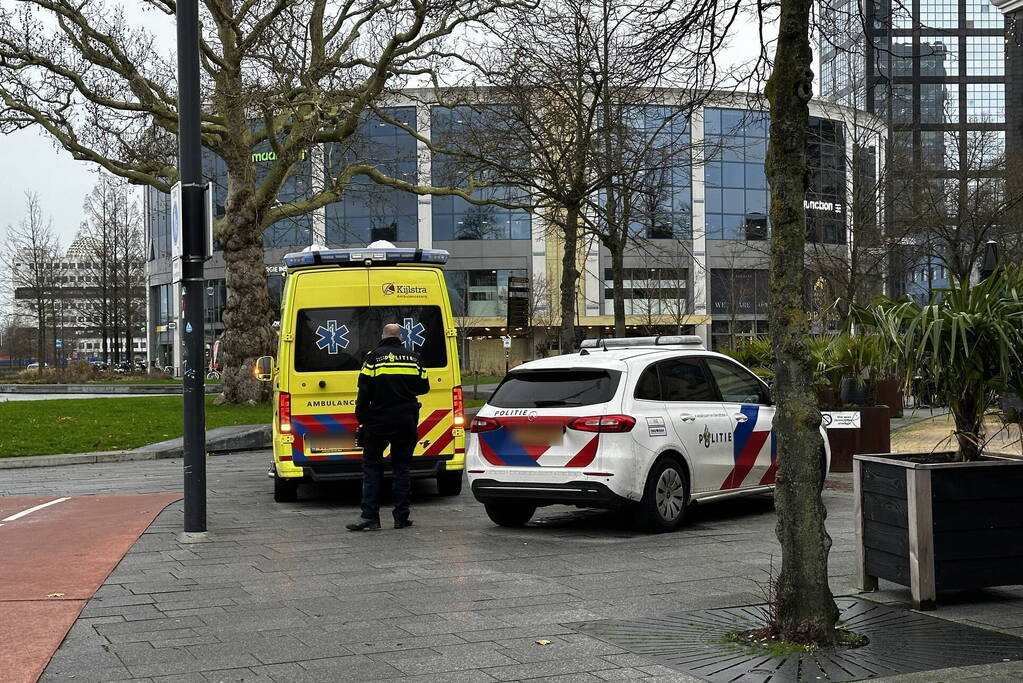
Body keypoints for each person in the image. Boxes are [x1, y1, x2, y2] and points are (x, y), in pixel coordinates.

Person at [346, 323, 431, 531]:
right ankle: (401, 517)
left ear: (382, 336)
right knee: (402, 467)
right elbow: (424, 387)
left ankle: (370, 518)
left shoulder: (373, 358)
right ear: (400, 337)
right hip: (406, 419)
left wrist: (362, 418)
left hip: (379, 420)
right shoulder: (414, 358)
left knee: (372, 467)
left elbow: (363, 391)